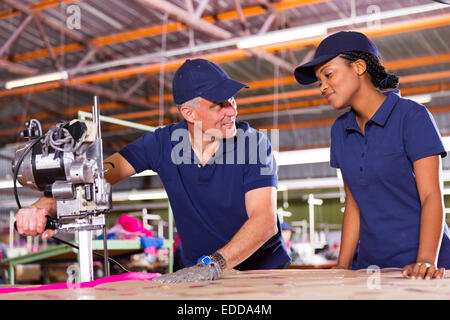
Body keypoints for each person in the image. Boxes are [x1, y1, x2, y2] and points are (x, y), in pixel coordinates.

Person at [15, 58, 291, 283]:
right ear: (189, 113)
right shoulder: (162, 144)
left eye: (232, 99)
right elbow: (94, 175)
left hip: (262, 273)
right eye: (219, 104)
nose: (232, 110)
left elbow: (264, 222)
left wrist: (213, 265)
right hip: (203, 279)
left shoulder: (254, 143)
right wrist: (43, 207)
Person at [294, 31, 449, 280]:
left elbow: (431, 196)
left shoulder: (412, 116)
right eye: (318, 80)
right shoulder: (340, 130)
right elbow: (353, 203)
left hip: (424, 265)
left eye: (328, 74)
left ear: (359, 67)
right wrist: (342, 266)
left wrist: (425, 261)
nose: (322, 86)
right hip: (370, 269)